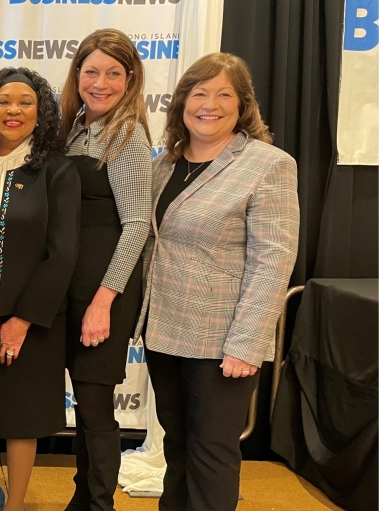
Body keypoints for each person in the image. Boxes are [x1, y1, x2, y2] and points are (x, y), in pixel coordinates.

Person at [136, 52, 299, 511]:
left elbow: (274, 259)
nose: (210, 104)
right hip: (165, 333)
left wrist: (247, 342)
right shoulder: (164, 164)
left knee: (212, 454)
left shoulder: (268, 165)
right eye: (199, 93)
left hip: (223, 344)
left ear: (242, 105)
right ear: (182, 102)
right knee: (178, 448)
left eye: (224, 94)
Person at [0, 68, 81, 511]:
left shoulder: (57, 170)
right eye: (4, 101)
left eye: (26, 102)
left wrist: (22, 320)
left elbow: (63, 253)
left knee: (21, 415)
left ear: (41, 112)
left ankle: (16, 503)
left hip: (30, 317)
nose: (14, 110)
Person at [60, 28, 153, 511]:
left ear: (130, 78)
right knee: (82, 408)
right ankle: (82, 498)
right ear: (77, 75)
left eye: (113, 73)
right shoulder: (71, 128)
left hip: (104, 293)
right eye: (91, 71)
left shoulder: (128, 134)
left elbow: (138, 224)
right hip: (68, 288)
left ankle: (100, 505)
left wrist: (103, 300)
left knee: (96, 409)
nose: (101, 82)